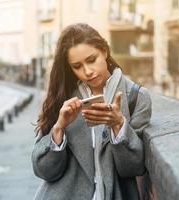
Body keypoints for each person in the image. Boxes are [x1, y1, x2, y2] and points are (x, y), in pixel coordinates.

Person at [32, 23, 152, 200]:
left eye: (91, 60)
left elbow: (133, 168)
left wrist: (118, 126)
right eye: (77, 66)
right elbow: (44, 171)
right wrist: (59, 128)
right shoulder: (63, 98)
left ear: (104, 51)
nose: (87, 71)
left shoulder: (136, 97)